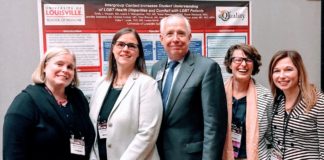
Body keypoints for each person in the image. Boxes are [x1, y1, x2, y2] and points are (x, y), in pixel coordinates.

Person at [151, 14, 227, 160]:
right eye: (169, 34)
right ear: (161, 39)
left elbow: (214, 126)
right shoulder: (156, 68)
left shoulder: (206, 68)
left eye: (181, 33)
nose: (175, 39)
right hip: (158, 154)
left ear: (189, 37)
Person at [3, 47, 95, 160]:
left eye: (70, 67)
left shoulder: (78, 98)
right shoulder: (26, 102)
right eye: (59, 64)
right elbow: (13, 153)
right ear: (44, 67)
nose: (65, 70)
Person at [89, 27, 163, 160]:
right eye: (121, 44)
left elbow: (147, 134)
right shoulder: (100, 83)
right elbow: (93, 129)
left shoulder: (147, 84)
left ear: (138, 52)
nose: (125, 49)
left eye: (131, 46)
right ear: (113, 48)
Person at [268, 50, 324, 159]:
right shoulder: (276, 102)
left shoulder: (318, 102)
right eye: (276, 71)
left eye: (288, 70)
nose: (282, 76)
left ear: (299, 71)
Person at [222, 44, 273, 160]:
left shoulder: (266, 96)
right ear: (230, 64)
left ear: (254, 65)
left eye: (248, 60)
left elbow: (273, 136)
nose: (243, 64)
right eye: (238, 60)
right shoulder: (217, 92)